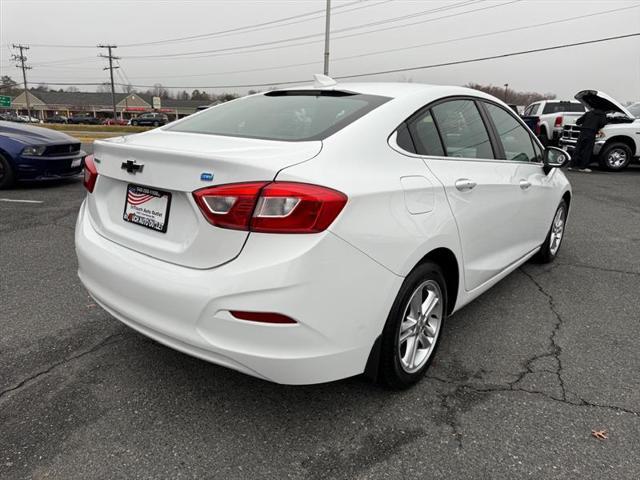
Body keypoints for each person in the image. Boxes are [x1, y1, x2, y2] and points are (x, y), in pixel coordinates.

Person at [569, 107, 608, 172]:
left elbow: (578, 122)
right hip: (591, 133)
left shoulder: (588, 113)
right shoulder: (602, 115)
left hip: (583, 132)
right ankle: (582, 167)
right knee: (587, 151)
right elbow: (602, 124)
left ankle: (571, 166)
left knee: (578, 149)